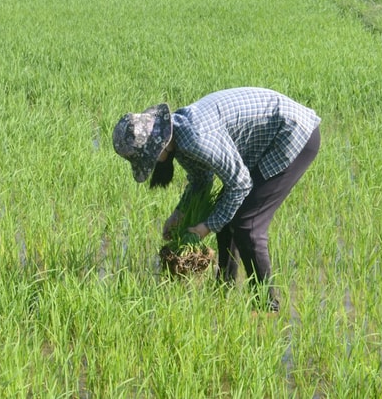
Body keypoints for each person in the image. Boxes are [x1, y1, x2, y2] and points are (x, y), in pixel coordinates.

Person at [112, 87, 321, 312]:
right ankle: (224, 288)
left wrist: (207, 227)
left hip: (293, 134)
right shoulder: (180, 137)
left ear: (159, 145)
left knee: (247, 223)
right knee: (226, 210)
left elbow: (240, 184)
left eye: (150, 159)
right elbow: (201, 179)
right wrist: (179, 213)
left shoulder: (195, 137)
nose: (154, 164)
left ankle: (267, 307)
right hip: (267, 139)